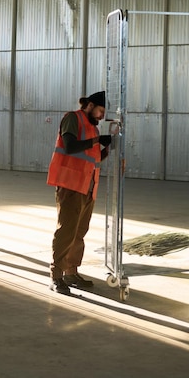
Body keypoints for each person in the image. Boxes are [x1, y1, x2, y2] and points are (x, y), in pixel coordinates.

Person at [46, 91, 116, 294]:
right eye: (101, 110)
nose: (102, 116)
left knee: (79, 233)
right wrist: (97, 141)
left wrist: (107, 149)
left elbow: (91, 160)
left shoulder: (92, 128)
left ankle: (71, 272)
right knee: (66, 231)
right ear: (91, 105)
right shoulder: (72, 118)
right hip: (70, 185)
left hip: (88, 187)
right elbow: (69, 146)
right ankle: (56, 275)